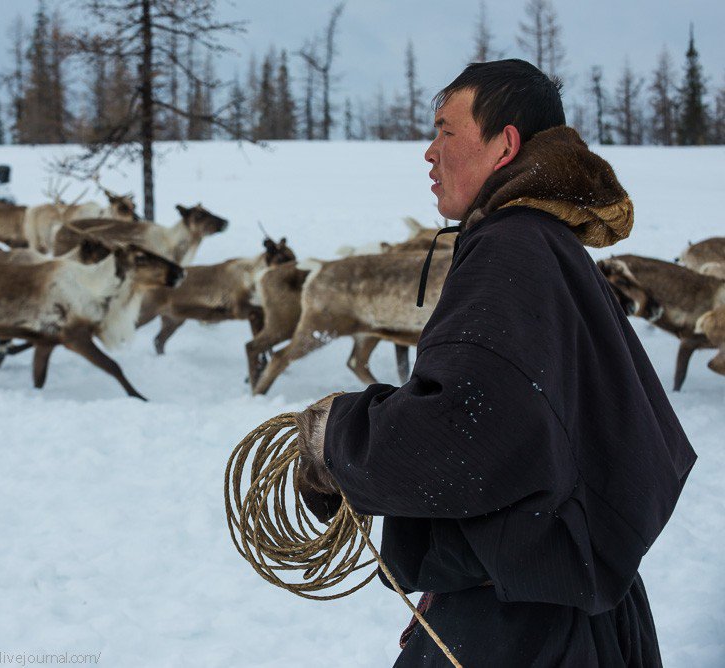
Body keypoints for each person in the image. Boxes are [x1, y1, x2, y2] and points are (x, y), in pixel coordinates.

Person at [295, 59, 696, 667]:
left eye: (445, 132)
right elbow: (533, 427)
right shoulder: (547, 245)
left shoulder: (510, 247)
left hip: (520, 633)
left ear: (505, 144)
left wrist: (335, 439)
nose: (429, 153)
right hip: (574, 612)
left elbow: (465, 428)